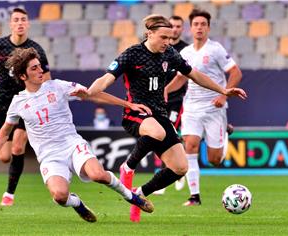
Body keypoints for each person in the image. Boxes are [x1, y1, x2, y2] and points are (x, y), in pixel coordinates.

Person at [0, 47, 154, 222]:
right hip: (49, 156)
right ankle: (77, 203)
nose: (40, 70)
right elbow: (6, 131)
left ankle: (131, 197)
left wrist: (129, 105)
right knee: (60, 196)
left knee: (98, 175)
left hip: (72, 144)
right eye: (34, 68)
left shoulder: (58, 86)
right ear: (23, 76)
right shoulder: (18, 102)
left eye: (40, 66)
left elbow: (92, 95)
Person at [85, 15, 246, 206]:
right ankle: (128, 166)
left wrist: (223, 90)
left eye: (170, 38)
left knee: (180, 167)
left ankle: (139, 193)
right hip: (135, 114)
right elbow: (101, 84)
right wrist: (116, 101)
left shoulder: (169, 54)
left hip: (159, 114)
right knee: (157, 132)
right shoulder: (132, 54)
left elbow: (194, 75)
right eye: (163, 37)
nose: (167, 42)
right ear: (149, 34)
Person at [165, 9, 243, 206]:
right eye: (196, 24)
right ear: (190, 28)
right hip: (191, 107)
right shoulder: (185, 52)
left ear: (208, 28)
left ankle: (224, 133)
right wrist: (164, 90)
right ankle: (194, 196)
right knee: (189, 147)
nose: (199, 27)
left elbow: (235, 73)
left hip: (214, 108)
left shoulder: (215, 49)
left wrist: (222, 96)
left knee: (215, 160)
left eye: (203, 24)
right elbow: (180, 79)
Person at [0, 8, 51, 207]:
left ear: (28, 24)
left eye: (23, 20)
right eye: (16, 20)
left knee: (18, 145)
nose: (19, 23)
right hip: (1, 105)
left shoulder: (35, 50)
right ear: (10, 24)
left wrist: (46, 99)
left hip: (27, 103)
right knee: (5, 156)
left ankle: (9, 194)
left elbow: (46, 75)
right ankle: (3, 154)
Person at [152, 15, 189, 195]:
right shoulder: (158, 49)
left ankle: (174, 170)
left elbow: (188, 74)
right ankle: (168, 172)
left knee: (170, 133)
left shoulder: (185, 50)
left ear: (182, 29)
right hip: (157, 101)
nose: (174, 29)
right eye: (172, 26)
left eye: (178, 26)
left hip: (176, 100)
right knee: (155, 136)